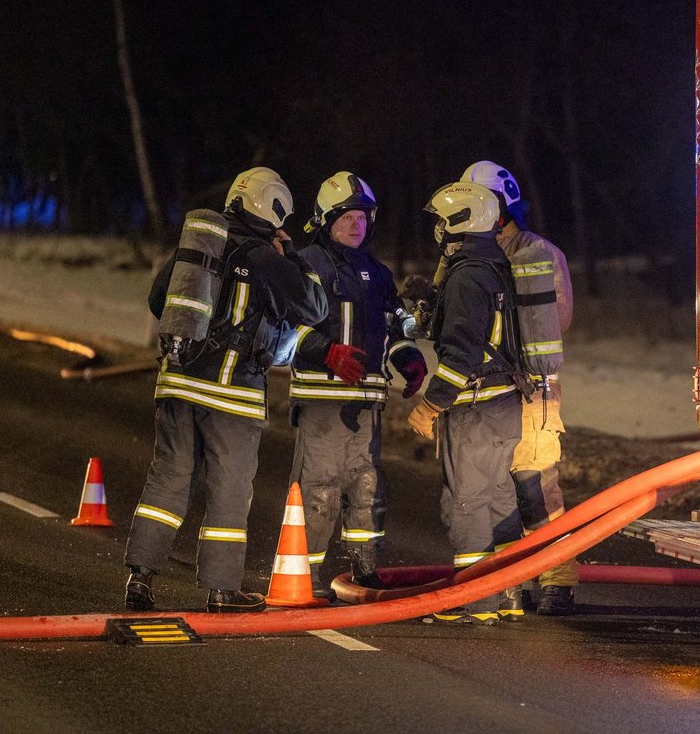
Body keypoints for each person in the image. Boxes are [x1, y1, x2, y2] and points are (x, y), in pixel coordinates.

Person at [125, 167, 327, 613]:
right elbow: (314, 305)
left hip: (177, 383)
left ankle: (141, 577)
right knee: (230, 490)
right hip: (231, 396)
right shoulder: (265, 255)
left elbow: (159, 302)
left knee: (169, 479)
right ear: (270, 206)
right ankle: (221, 589)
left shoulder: (197, 245)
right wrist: (290, 253)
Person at [288, 171, 427, 600]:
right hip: (323, 399)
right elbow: (284, 325)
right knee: (320, 488)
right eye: (346, 216)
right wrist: (325, 352)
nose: (356, 224)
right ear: (325, 221)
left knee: (366, 484)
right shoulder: (306, 263)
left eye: (362, 217)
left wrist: (408, 357)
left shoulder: (379, 274)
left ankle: (364, 566)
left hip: (366, 401)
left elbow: (392, 325)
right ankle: (304, 574)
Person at [461, 160, 578, 616]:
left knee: (535, 489)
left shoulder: (539, 253)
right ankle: (515, 578)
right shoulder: (466, 256)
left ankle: (558, 579)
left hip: (531, 392)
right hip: (483, 391)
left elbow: (558, 320)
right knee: (493, 490)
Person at [407, 181, 524, 625]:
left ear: (458, 222)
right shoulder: (496, 266)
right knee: (499, 496)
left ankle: (477, 603)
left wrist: (429, 406)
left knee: (467, 501)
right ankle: (510, 592)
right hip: (505, 404)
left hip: (475, 407)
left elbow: (459, 356)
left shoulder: (466, 275)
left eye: (440, 220)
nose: (436, 229)